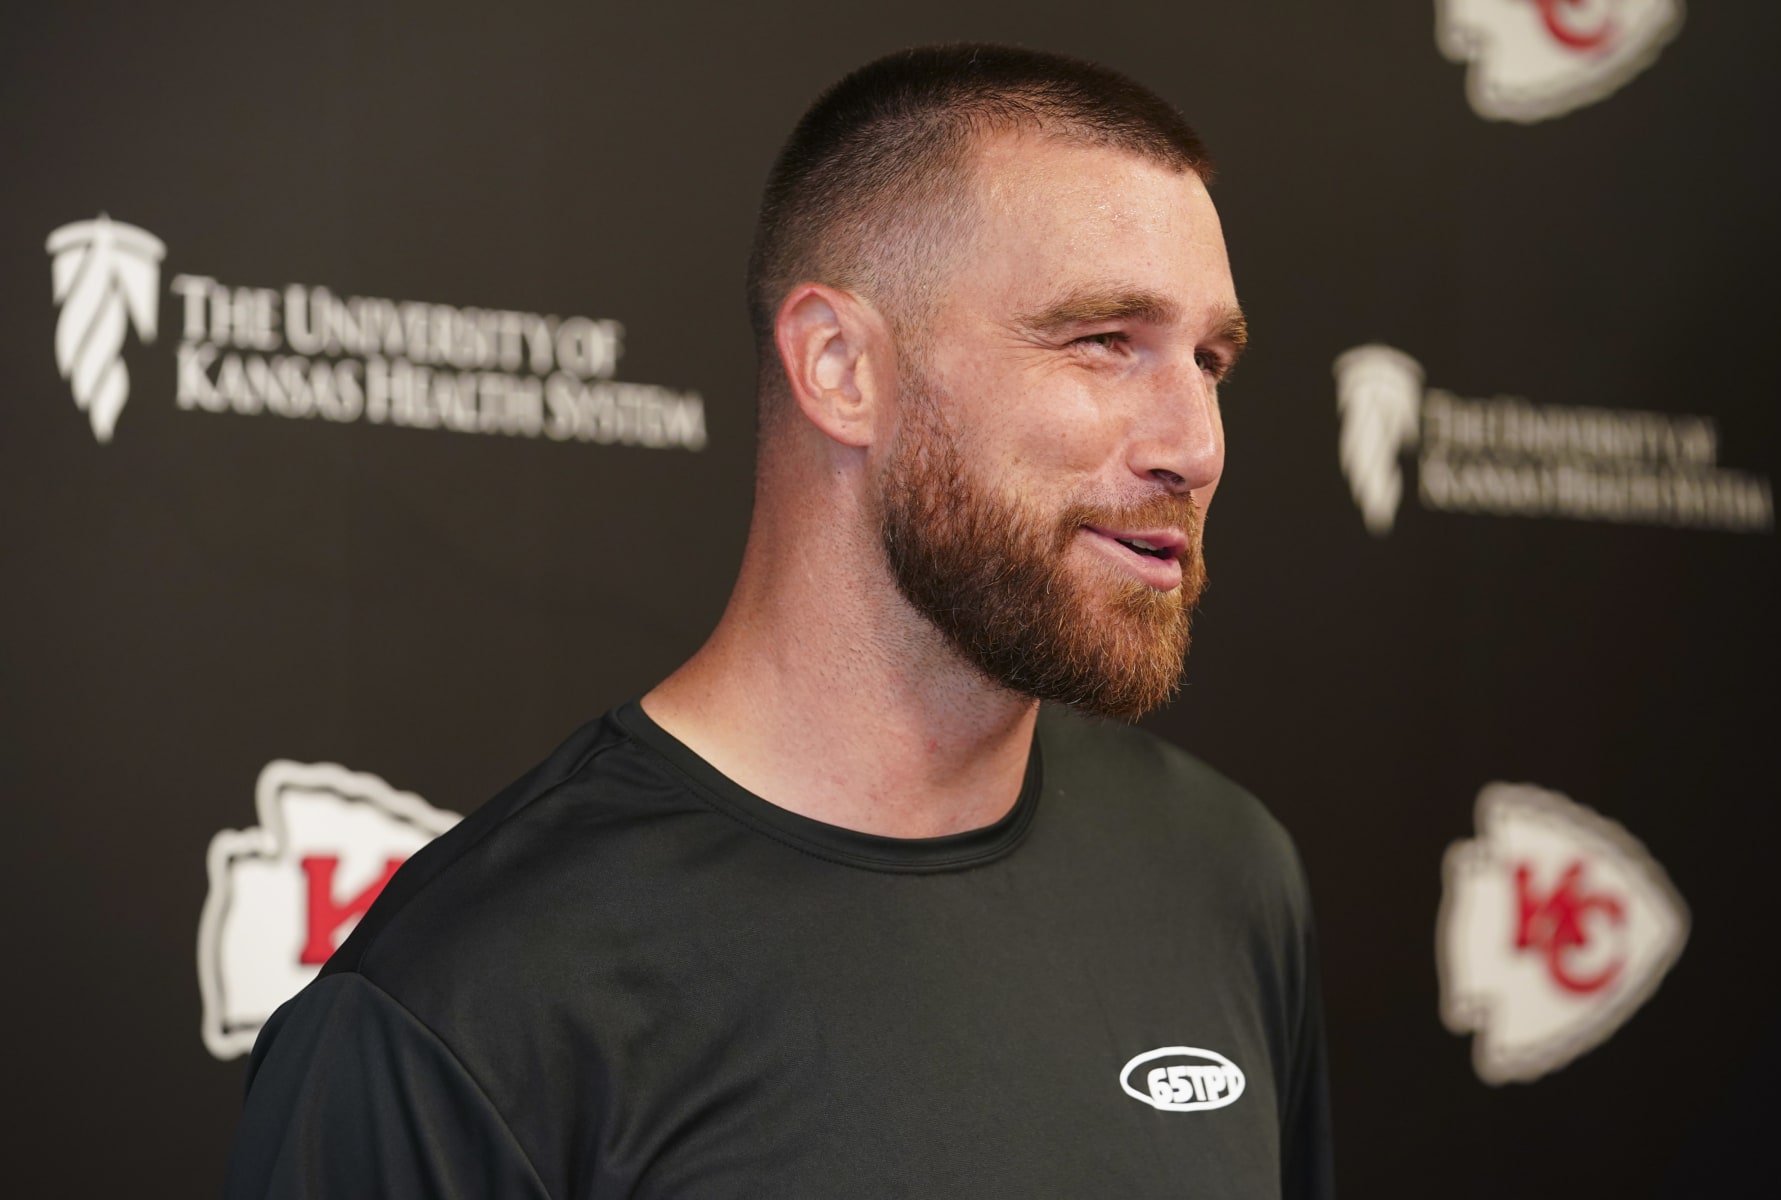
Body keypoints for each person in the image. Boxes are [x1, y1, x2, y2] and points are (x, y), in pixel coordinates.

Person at [226, 44, 1333, 1198]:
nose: (1196, 447)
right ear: (840, 367)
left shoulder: (1224, 874)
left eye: (1211, 361)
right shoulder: (470, 1007)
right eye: (1106, 342)